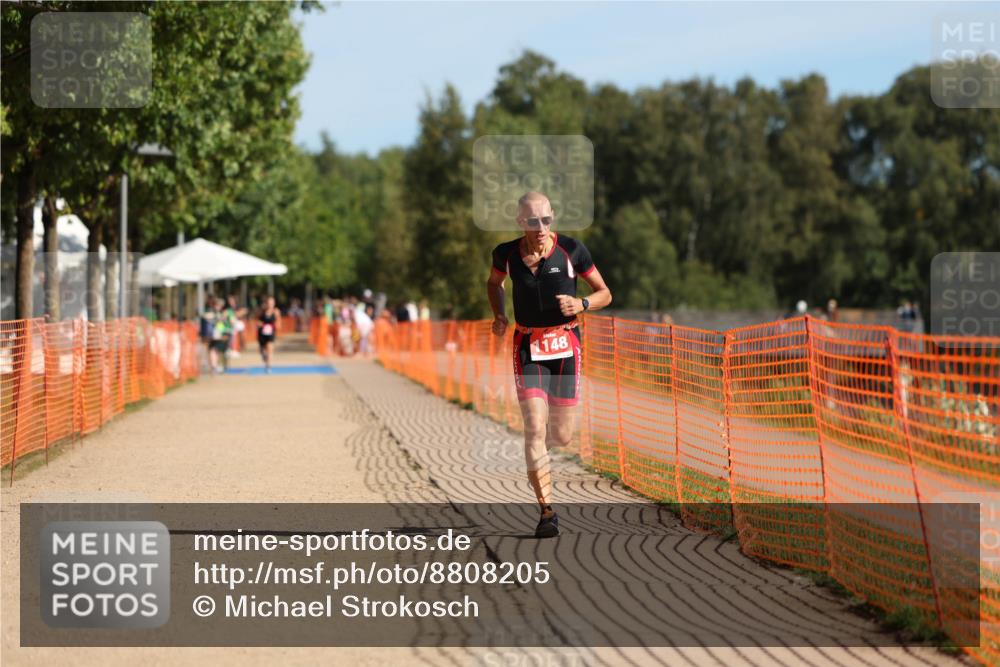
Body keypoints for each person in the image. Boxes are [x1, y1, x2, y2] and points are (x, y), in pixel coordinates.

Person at [486, 191, 612, 538]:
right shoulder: (506, 254)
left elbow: (605, 292)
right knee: (535, 428)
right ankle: (547, 511)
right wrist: (499, 314)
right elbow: (494, 283)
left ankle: (539, 454)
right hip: (528, 345)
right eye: (532, 221)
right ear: (520, 223)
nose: (540, 227)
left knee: (560, 434)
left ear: (552, 217)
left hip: (565, 345)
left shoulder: (572, 250)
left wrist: (582, 303)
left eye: (546, 219)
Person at [256, 296, 281, 373]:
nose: (270, 304)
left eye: (272, 303)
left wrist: (275, 326)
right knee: (262, 351)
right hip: (262, 333)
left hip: (271, 333)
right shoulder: (262, 311)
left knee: (270, 349)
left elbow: (279, 322)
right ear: (266, 303)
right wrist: (261, 324)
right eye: (269, 303)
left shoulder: (276, 311)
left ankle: (268, 367)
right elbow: (257, 321)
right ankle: (264, 357)